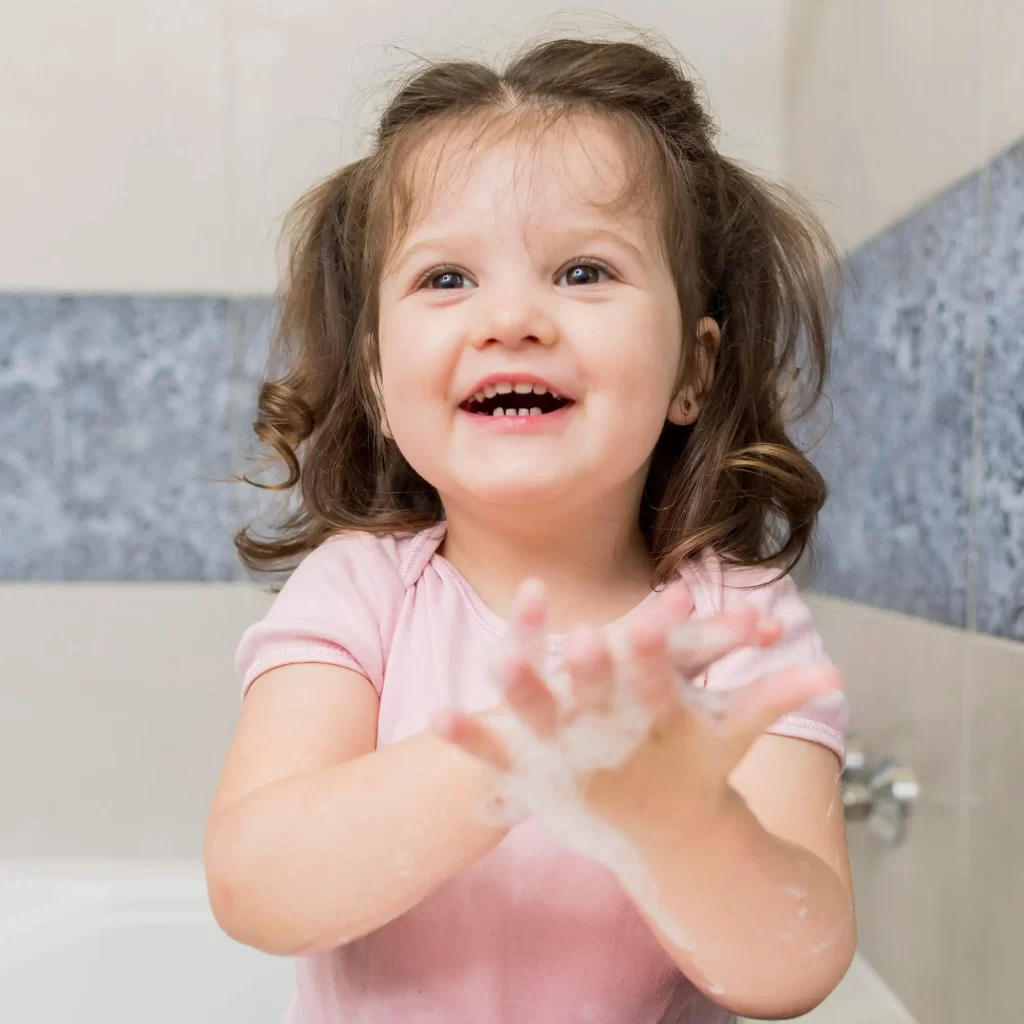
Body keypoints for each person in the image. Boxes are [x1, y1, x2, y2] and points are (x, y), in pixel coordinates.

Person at [204, 36, 856, 1024]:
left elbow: (789, 972)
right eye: (446, 279)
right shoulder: (360, 594)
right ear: (380, 382)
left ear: (692, 367)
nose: (511, 316)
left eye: (584, 271)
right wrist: (513, 755)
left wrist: (682, 822)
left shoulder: (736, 620)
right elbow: (257, 887)